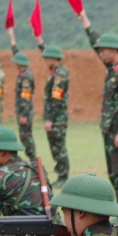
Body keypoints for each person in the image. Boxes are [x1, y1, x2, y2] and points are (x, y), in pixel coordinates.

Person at [76, 10, 118, 220]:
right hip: (109, 130)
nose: (99, 53)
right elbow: (95, 43)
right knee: (113, 172)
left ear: (113, 50)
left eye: (102, 51)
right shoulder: (113, 69)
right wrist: (85, 22)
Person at [41, 43, 70, 188]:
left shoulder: (60, 75)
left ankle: (63, 176)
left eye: (47, 58)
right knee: (55, 147)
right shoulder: (56, 72)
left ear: (54, 58)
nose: (45, 61)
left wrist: (50, 119)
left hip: (57, 119)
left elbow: (56, 99)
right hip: (55, 118)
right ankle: (61, 175)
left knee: (59, 147)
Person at [8, 27, 40, 161]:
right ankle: (31, 159)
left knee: (26, 137)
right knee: (24, 136)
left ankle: (33, 160)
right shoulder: (23, 73)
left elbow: (26, 97)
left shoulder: (26, 76)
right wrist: (12, 37)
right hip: (22, 112)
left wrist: (23, 115)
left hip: (24, 112)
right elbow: (17, 53)